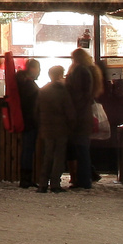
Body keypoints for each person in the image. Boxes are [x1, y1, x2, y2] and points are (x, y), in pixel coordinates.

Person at [35, 65, 78, 193]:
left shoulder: (43, 90)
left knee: (48, 155)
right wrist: (72, 125)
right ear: (60, 75)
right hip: (61, 128)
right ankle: (55, 184)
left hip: (46, 127)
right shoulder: (63, 91)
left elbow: (36, 111)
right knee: (59, 156)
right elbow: (69, 111)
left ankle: (43, 183)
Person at [66, 47, 102, 189]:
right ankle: (85, 178)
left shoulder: (80, 71)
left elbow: (78, 93)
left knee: (81, 149)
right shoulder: (88, 70)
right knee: (82, 149)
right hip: (83, 115)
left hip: (80, 116)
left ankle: (84, 180)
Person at [16, 59, 42, 188]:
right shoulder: (29, 84)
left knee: (27, 149)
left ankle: (26, 178)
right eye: (38, 69)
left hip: (25, 119)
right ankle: (26, 178)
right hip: (30, 120)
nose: (39, 72)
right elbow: (32, 104)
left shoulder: (22, 82)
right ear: (32, 69)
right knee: (28, 149)